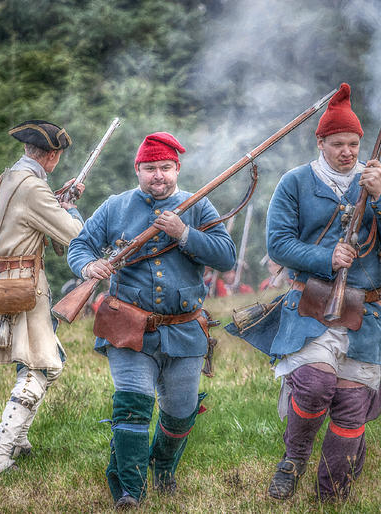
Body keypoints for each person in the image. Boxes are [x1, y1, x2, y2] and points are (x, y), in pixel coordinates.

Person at [226, 83, 381, 502]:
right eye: (338, 143)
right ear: (321, 142)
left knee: (350, 406)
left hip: (367, 311)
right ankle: (294, 458)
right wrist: (327, 257)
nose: (348, 151)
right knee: (312, 385)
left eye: (354, 143)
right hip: (311, 303)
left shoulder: (377, 180)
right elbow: (279, 245)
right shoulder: (294, 183)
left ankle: (333, 496)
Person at [67, 132, 236, 508]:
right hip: (127, 328)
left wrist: (185, 233)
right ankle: (129, 490)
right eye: (149, 168)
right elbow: (80, 246)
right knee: (132, 404)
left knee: (179, 413)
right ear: (137, 170)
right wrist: (89, 265)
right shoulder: (115, 206)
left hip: (184, 329)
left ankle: (162, 466)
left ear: (177, 169)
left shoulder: (198, 206)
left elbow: (226, 257)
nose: (157, 175)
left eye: (165, 168)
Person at [0, 120, 84, 473]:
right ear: (53, 155)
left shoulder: (9, 179)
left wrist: (58, 198)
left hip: (6, 278)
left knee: (48, 360)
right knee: (42, 366)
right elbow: (75, 234)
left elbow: (27, 219)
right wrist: (70, 208)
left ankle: (19, 438)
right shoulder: (33, 189)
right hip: (23, 284)